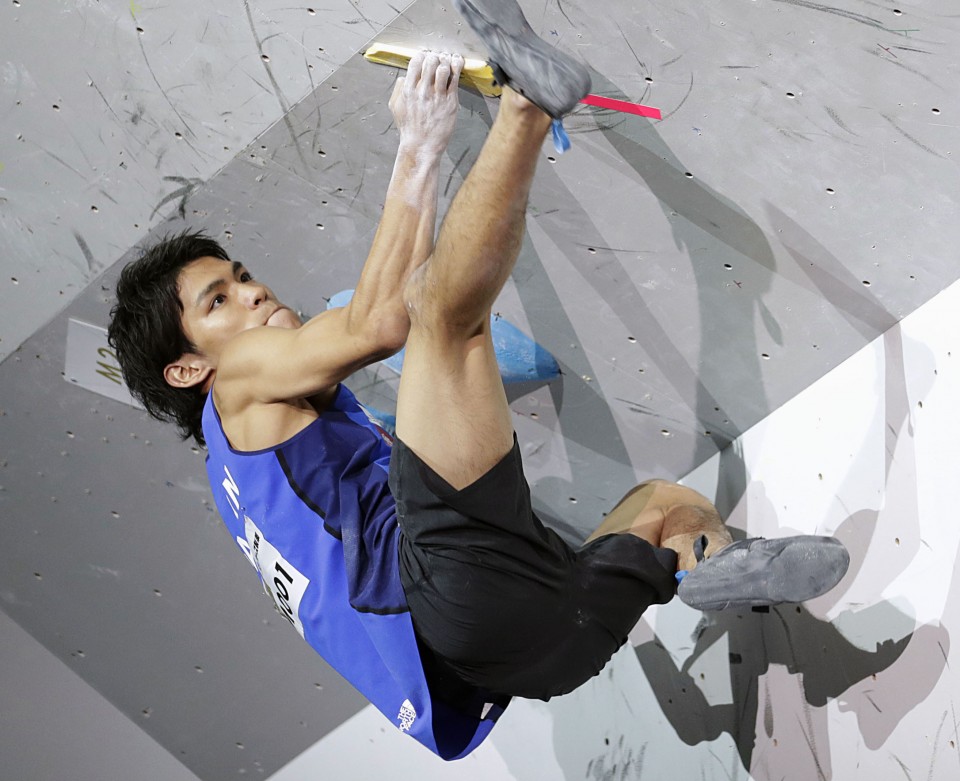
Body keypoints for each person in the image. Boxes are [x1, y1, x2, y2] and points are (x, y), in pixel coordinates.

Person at [108, 0, 849, 760]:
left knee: (664, 504)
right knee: (441, 317)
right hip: (446, 588)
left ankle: (707, 559)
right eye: (219, 301)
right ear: (189, 368)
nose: (253, 292)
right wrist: (418, 146)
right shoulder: (234, 385)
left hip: (536, 655)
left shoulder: (254, 473)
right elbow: (382, 321)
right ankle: (528, 101)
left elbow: (376, 327)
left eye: (242, 276)